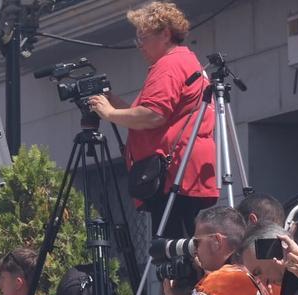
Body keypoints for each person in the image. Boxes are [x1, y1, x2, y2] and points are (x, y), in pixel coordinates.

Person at [88, 1, 215, 239]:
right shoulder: (184, 61)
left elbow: (152, 115)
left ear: (165, 34)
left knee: (172, 252)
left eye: (143, 38)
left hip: (171, 176)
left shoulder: (168, 65)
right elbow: (148, 115)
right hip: (183, 172)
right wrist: (111, 101)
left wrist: (109, 114)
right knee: (185, 246)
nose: (139, 46)